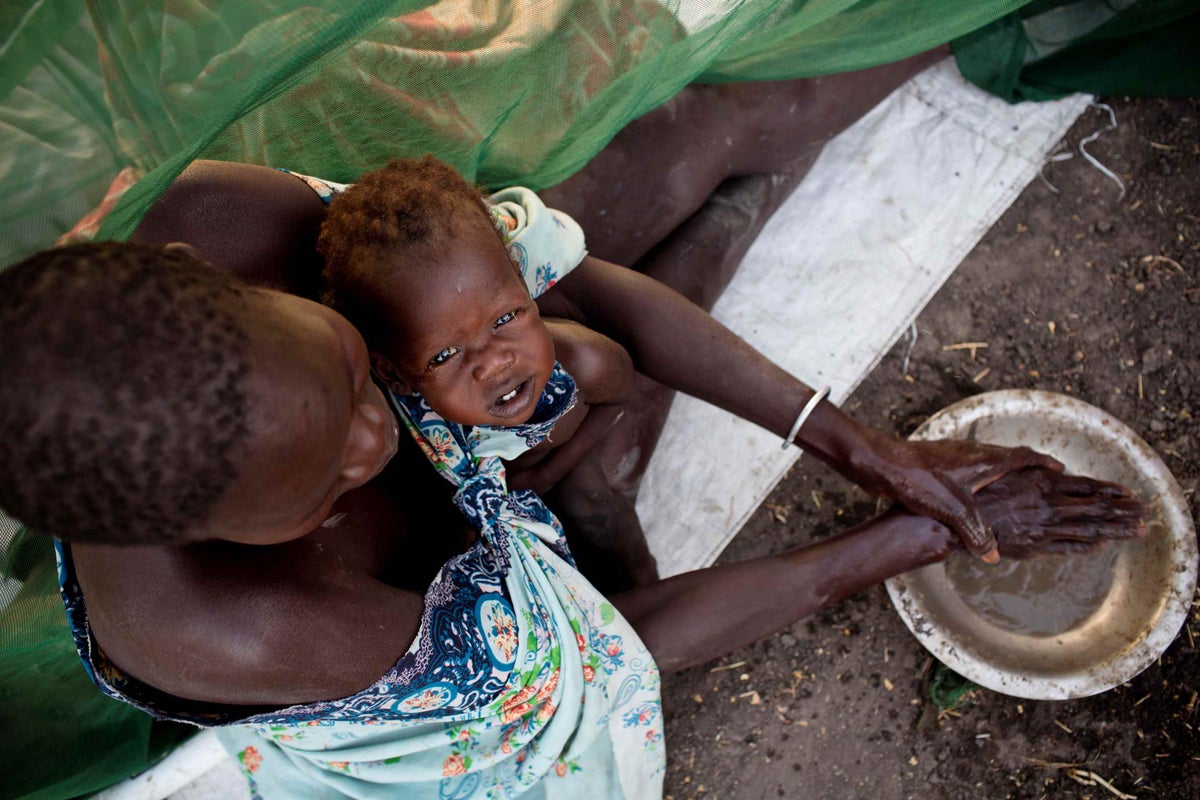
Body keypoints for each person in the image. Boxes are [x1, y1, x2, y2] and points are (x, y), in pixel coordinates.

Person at [0, 53, 1148, 799]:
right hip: (478, 660)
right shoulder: (251, 629)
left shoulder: (217, 218)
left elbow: (566, 271)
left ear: (225, 281)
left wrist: (869, 447)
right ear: (213, 533)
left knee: (706, 140)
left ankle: (629, 379)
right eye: (323, 482)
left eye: (354, 369)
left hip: (488, 463)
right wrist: (923, 529)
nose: (377, 438)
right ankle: (607, 453)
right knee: (597, 423)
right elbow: (615, 649)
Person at [318, 156, 636, 499]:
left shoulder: (586, 364)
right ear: (394, 375)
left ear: (522, 282)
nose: (493, 364)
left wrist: (548, 476)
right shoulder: (403, 438)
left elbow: (618, 399)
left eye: (505, 318)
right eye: (445, 355)